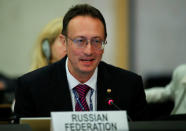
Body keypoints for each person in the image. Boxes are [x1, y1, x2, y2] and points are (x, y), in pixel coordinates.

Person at [14, 4, 148, 121]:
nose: (89, 51)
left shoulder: (129, 85)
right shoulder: (31, 87)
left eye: (96, 41)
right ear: (64, 42)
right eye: (80, 41)